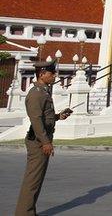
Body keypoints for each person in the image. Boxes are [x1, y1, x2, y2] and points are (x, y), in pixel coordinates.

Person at [15, 60, 72, 216]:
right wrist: (45, 142)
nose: (54, 75)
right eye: (51, 73)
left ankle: (29, 212)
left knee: (36, 181)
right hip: (38, 142)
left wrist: (58, 116)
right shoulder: (36, 93)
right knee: (32, 181)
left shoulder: (43, 91)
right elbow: (36, 119)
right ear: (42, 74)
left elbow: (45, 117)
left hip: (41, 139)